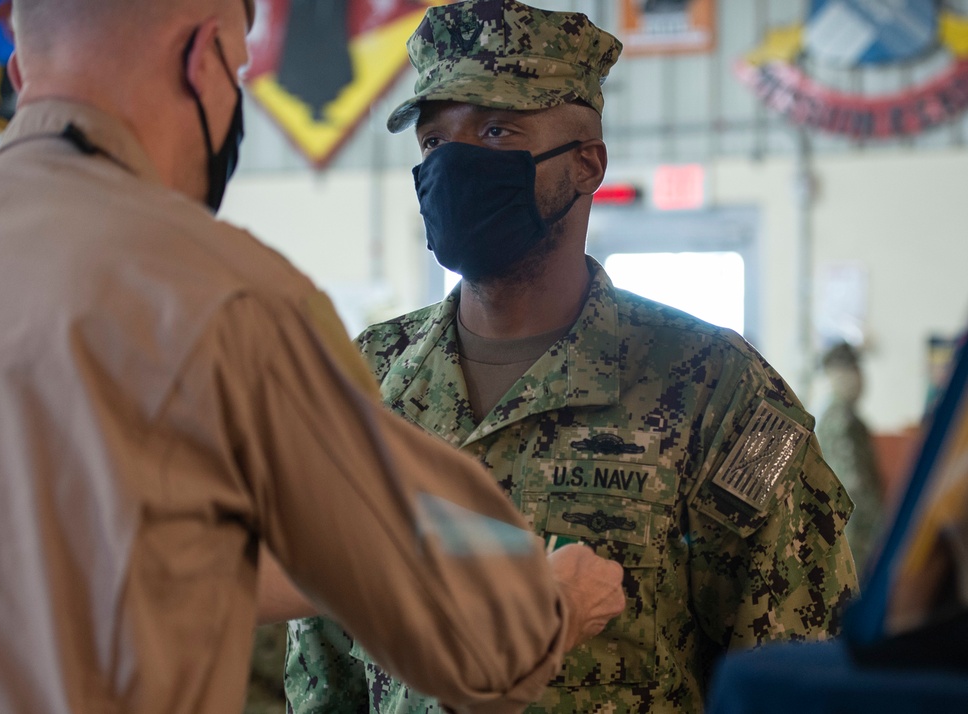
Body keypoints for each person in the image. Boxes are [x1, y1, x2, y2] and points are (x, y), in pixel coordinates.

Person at [0, 1, 628, 713]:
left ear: (20, 71)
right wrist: (556, 598)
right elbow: (482, 643)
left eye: (498, 132)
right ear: (203, 61)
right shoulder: (222, 299)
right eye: (240, 69)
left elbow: (79, 550)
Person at [285, 1, 860, 712]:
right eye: (436, 143)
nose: (456, 165)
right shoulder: (361, 380)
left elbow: (793, 668)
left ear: (586, 164)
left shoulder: (714, 389)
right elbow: (322, 664)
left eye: (497, 131)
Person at [815, 342, 886, 574]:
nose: (857, 378)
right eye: (849, 370)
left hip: (855, 532)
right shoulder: (840, 421)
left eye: (857, 369)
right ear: (834, 376)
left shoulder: (845, 418)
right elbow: (852, 488)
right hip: (856, 536)